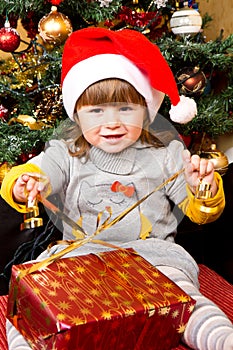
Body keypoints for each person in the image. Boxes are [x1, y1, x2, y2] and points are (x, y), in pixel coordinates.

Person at [1, 27, 233, 350]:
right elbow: (38, 171)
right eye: (96, 111)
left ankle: (222, 339)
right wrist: (26, 183)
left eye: (125, 109)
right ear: (77, 114)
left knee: (187, 301)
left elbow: (199, 210)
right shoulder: (66, 152)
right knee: (33, 307)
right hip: (81, 261)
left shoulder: (166, 155)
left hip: (154, 261)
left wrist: (204, 187)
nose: (111, 122)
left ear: (146, 111)